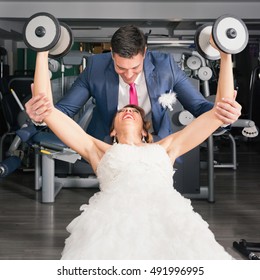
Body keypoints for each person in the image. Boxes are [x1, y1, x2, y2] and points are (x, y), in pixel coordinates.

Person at [33, 35, 235, 259]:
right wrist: (42, 52)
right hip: (112, 225)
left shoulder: (167, 148)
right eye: (121, 112)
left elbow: (218, 112)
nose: (128, 110)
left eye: (135, 112)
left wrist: (226, 55)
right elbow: (49, 111)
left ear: (145, 131)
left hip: (167, 218)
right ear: (111, 131)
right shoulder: (98, 149)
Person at [26, 25, 241, 142]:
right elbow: (64, 110)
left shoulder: (166, 66)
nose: (128, 75)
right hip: (108, 144)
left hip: (156, 143)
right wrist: (41, 117)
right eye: (121, 68)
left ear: (144, 54)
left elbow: (200, 108)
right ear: (112, 55)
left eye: (135, 68)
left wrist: (224, 116)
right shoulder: (95, 68)